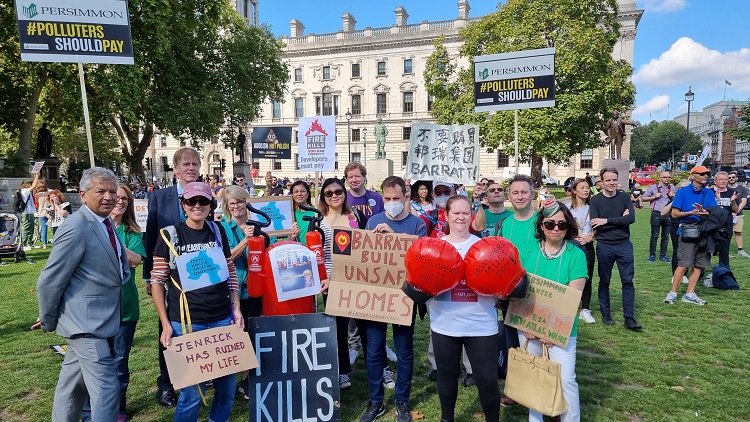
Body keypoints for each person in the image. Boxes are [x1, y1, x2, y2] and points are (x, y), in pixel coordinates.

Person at [36, 167, 129, 422]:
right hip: (85, 325)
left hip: (98, 321)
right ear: (83, 195)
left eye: (113, 191)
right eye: (101, 191)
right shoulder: (75, 227)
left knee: (71, 387)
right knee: (108, 387)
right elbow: (49, 280)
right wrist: (48, 318)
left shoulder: (105, 222)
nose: (109, 197)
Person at [150, 182, 242, 421]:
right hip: (186, 323)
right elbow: (157, 282)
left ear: (211, 205)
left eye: (203, 201)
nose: (197, 206)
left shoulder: (218, 230)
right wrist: (165, 323)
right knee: (192, 393)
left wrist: (236, 307)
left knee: (227, 390)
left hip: (222, 319)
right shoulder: (169, 235)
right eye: (192, 201)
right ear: (184, 205)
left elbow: (229, 270)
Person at [360, 177, 427, 422]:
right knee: (375, 349)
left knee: (404, 351)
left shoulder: (417, 224)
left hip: (403, 298)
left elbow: (420, 260)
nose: (391, 203)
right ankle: (376, 401)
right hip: (377, 298)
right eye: (387, 199)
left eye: (396, 199)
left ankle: (401, 402)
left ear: (405, 197)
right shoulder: (372, 221)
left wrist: (394, 236)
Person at [429, 195, 500, 422]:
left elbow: (502, 284)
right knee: (446, 376)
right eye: (456, 213)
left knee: (487, 379)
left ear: (471, 215)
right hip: (445, 323)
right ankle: (446, 418)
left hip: (481, 324)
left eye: (465, 213)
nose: (461, 217)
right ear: (446, 215)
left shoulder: (484, 246)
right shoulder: (435, 247)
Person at [518, 199, 587, 422]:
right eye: (550, 224)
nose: (556, 228)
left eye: (562, 224)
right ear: (541, 226)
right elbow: (518, 290)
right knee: (533, 379)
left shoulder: (576, 255)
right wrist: (530, 327)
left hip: (562, 329)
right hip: (528, 325)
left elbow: (572, 297)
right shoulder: (528, 250)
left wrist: (548, 330)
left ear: (569, 227)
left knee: (566, 380)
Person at [81, 184, 146, 422]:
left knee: (119, 364)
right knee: (95, 364)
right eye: (117, 198)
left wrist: (111, 239)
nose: (120, 202)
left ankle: (118, 408)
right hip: (96, 309)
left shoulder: (132, 233)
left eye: (125, 200)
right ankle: (90, 412)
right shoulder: (89, 228)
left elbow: (135, 260)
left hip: (125, 308)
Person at [143, 147, 201, 407]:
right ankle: (166, 383)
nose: (191, 168)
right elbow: (151, 236)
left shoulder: (205, 196)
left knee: (197, 327)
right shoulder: (160, 197)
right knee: (168, 328)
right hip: (168, 276)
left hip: (200, 275)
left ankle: (197, 375)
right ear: (176, 169)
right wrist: (149, 278)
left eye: (195, 164)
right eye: (186, 164)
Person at [319, 177, 368, 389]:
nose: (334, 196)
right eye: (328, 193)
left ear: (344, 193)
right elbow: (314, 251)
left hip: (354, 277)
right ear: (323, 196)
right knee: (338, 329)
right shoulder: (317, 220)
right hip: (328, 281)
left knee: (366, 324)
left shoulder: (355, 216)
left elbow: (368, 245)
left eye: (338, 191)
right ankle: (343, 371)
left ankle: (379, 366)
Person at [590, 168, 641, 330]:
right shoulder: (596, 201)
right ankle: (606, 314)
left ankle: (629, 318)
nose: (611, 183)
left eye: (614, 180)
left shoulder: (625, 197)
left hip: (624, 244)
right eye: (608, 180)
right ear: (602, 182)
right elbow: (595, 223)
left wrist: (606, 221)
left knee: (627, 280)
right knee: (605, 281)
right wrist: (620, 219)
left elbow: (631, 218)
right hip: (604, 245)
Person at [664, 166, 717, 305]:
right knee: (683, 265)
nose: (705, 176)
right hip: (688, 232)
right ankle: (673, 293)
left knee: (699, 265)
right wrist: (691, 213)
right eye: (702, 174)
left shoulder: (709, 193)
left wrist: (704, 211)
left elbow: (714, 212)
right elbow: (674, 214)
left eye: (707, 173)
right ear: (692, 176)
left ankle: (690, 294)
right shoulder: (682, 192)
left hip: (705, 232)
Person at [566, 178, 596, 324]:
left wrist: (590, 237)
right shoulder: (567, 208)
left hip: (588, 245)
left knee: (587, 277)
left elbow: (598, 225)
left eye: (587, 187)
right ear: (574, 191)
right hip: (572, 245)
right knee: (568, 276)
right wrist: (580, 236)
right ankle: (566, 305)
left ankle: (585, 309)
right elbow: (564, 227)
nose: (586, 190)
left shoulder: (593, 207)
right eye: (582, 187)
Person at [641, 171, 675, 263]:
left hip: (668, 214)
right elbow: (643, 198)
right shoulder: (653, 187)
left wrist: (673, 196)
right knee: (654, 235)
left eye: (668, 177)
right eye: (665, 177)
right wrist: (654, 197)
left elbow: (677, 200)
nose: (667, 179)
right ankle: (652, 255)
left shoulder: (672, 187)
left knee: (665, 236)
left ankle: (663, 255)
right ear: (660, 178)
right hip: (656, 214)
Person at [711, 171, 739, 269]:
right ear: (715, 181)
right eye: (721, 179)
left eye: (725, 179)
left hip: (726, 226)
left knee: (724, 251)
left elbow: (736, 210)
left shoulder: (732, 192)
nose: (724, 181)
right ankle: (700, 273)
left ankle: (724, 272)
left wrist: (733, 201)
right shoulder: (710, 192)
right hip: (712, 225)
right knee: (706, 250)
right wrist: (718, 200)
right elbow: (708, 208)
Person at [728, 171, 750, 258]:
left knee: (738, 232)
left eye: (733, 177)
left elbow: (744, 201)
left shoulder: (742, 189)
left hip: (738, 214)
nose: (731, 179)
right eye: (729, 178)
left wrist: (736, 211)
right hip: (727, 214)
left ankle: (741, 250)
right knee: (726, 233)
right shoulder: (725, 189)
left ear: (736, 178)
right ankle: (725, 251)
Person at [19, 174, 40, 250]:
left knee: (31, 228)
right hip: (26, 213)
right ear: (27, 185)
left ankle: (30, 243)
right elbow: (34, 186)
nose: (32, 186)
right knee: (26, 229)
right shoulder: (25, 191)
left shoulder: (27, 191)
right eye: (30, 184)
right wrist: (36, 177)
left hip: (30, 212)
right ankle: (24, 244)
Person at [34, 178, 51, 249]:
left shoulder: (36, 195)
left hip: (41, 212)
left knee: (44, 229)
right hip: (50, 212)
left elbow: (36, 204)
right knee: (54, 228)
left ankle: (44, 244)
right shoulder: (49, 193)